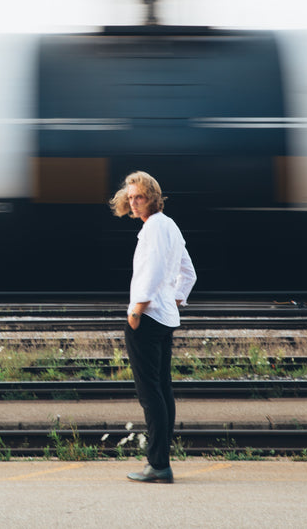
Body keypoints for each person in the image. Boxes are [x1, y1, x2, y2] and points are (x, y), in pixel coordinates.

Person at [109, 171, 196, 483]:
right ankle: (160, 460)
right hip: (164, 318)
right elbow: (188, 272)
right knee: (162, 390)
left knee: (150, 393)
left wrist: (138, 309)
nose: (133, 203)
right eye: (130, 198)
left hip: (146, 319)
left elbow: (154, 270)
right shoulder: (169, 225)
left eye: (139, 197)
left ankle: (158, 464)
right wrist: (174, 300)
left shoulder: (154, 228)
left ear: (153, 197)